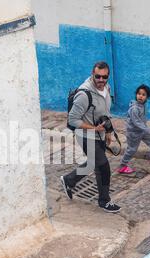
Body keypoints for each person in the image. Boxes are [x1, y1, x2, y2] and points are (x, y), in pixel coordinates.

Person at [60, 61, 121, 213]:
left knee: (93, 164)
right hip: (86, 135)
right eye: (98, 76)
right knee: (103, 166)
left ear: (108, 76)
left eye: (104, 77)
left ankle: (69, 180)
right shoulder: (84, 95)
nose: (101, 80)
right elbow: (72, 120)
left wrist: (107, 131)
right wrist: (94, 128)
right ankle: (104, 201)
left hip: (99, 132)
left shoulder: (106, 88)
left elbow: (105, 113)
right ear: (92, 74)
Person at [118, 84, 150, 174]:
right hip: (133, 133)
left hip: (142, 130)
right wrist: (148, 130)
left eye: (143, 94)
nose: (140, 96)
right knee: (132, 149)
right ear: (136, 94)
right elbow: (137, 122)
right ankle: (122, 166)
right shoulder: (134, 109)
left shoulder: (143, 105)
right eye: (139, 94)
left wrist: (145, 128)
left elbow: (142, 120)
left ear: (147, 97)